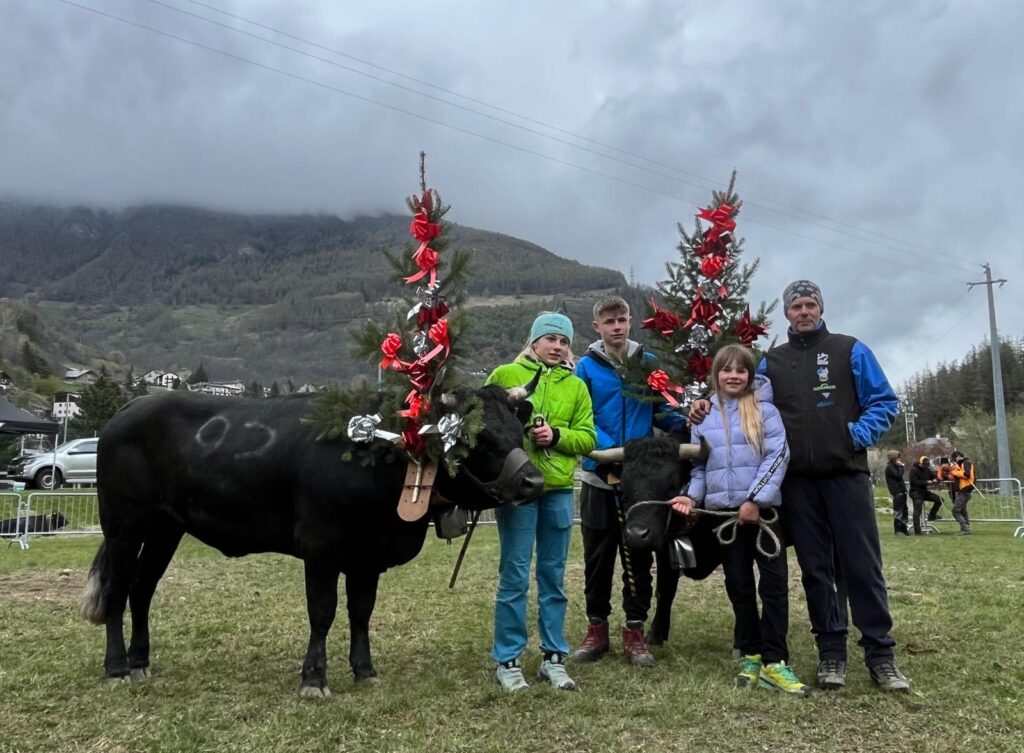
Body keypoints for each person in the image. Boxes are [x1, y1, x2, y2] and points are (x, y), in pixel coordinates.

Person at [689, 279, 909, 692]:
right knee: (816, 570)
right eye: (796, 306)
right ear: (786, 313)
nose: (804, 311)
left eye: (810, 304)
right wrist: (702, 402)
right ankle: (831, 653)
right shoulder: (773, 362)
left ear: (820, 309)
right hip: (799, 486)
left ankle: (881, 654)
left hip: (846, 476)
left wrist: (852, 436)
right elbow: (736, 389)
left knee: (862, 567)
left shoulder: (850, 349)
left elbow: (884, 402)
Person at [667, 345, 809, 695]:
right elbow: (700, 467)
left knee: (773, 586)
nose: (733, 376)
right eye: (726, 370)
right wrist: (692, 496)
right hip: (725, 517)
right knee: (739, 585)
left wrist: (755, 499)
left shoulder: (766, 411)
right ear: (716, 375)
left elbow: (778, 456)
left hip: (763, 515)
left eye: (740, 370)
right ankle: (751, 653)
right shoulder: (704, 417)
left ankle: (776, 661)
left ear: (750, 375)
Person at [570, 295, 687, 666]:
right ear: (597, 327)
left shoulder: (647, 362)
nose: (616, 327)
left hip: (641, 483)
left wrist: (688, 423)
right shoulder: (586, 368)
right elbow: (581, 416)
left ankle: (635, 632)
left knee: (640, 554)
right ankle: (597, 630)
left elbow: (661, 407)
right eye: (609, 322)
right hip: (599, 476)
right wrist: (613, 452)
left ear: (630, 321)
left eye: (621, 320)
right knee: (598, 557)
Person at [484, 312, 596, 692]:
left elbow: (588, 438)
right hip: (516, 491)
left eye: (564, 341)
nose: (558, 346)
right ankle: (508, 660)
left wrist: (558, 435)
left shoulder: (577, 387)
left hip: (559, 489)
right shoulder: (503, 376)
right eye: (550, 339)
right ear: (533, 342)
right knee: (514, 575)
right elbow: (482, 424)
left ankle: (554, 658)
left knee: (553, 577)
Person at [908, 456, 943, 536]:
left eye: (926, 465)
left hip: (924, 492)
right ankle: (917, 531)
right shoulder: (914, 470)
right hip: (916, 492)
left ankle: (932, 515)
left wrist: (935, 479)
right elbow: (914, 482)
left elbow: (933, 475)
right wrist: (927, 482)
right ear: (920, 463)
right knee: (918, 512)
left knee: (939, 500)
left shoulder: (927, 469)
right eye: (924, 465)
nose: (925, 466)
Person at [948, 450, 976, 535]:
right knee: (963, 511)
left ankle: (965, 528)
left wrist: (955, 472)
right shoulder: (963, 464)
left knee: (955, 510)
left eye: (954, 459)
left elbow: (966, 474)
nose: (954, 461)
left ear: (958, 457)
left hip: (965, 490)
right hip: (963, 490)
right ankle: (966, 528)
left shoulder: (965, 463)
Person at [885, 451, 910, 536]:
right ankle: (898, 530)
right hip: (897, 491)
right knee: (898, 510)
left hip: (902, 491)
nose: (898, 459)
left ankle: (904, 529)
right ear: (894, 458)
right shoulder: (890, 467)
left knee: (904, 510)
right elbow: (898, 476)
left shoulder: (895, 466)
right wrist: (902, 467)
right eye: (897, 458)